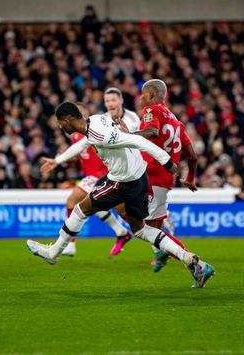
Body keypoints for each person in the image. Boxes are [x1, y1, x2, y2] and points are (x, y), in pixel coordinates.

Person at [31, 102, 215, 288]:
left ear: (68, 120)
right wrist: (58, 160)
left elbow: (137, 141)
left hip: (122, 182)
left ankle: (54, 253)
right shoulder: (95, 121)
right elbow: (83, 144)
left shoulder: (99, 134)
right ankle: (193, 261)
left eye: (60, 123)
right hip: (138, 176)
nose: (60, 127)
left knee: (81, 208)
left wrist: (166, 161)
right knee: (140, 229)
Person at [119, 79, 199, 272]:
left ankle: (196, 265)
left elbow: (153, 131)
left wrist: (127, 135)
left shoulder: (151, 111)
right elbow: (193, 156)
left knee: (145, 229)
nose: (140, 98)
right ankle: (162, 253)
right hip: (165, 180)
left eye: (143, 94)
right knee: (155, 228)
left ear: (152, 95)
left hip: (151, 175)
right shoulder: (177, 122)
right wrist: (190, 178)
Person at [40, 103, 134, 258]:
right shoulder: (76, 135)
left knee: (73, 202)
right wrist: (60, 160)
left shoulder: (92, 128)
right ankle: (125, 232)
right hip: (92, 175)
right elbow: (79, 154)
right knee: (108, 209)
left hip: (101, 174)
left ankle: (70, 245)